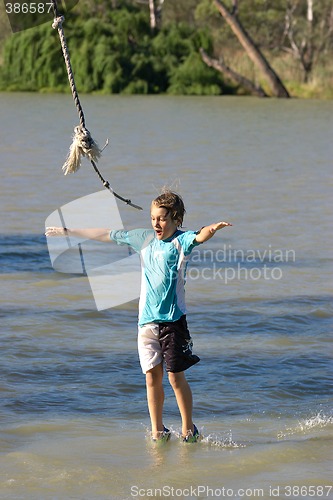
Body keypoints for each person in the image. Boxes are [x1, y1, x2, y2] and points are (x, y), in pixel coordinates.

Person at [45, 190, 232, 442]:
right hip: (146, 323)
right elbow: (105, 234)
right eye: (153, 218)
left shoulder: (181, 240)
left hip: (173, 321)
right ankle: (158, 430)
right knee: (151, 378)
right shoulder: (143, 239)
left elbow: (200, 236)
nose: (156, 223)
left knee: (175, 377)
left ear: (176, 219)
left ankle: (189, 429)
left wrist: (213, 228)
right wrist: (68, 231)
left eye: (163, 218)